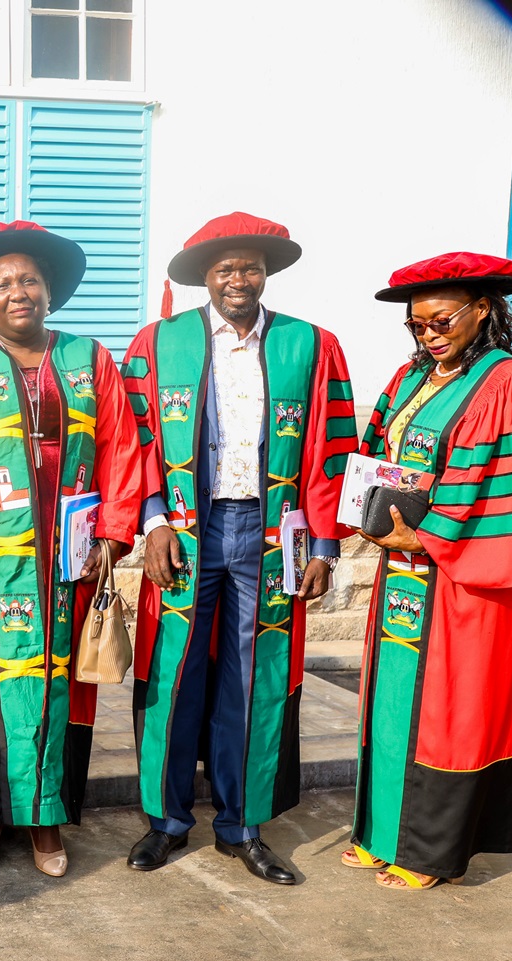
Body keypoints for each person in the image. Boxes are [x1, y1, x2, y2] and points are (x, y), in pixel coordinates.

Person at [121, 211, 358, 884]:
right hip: (188, 532)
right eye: (225, 268)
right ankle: (165, 822)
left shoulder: (310, 346)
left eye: (250, 266)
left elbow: (335, 449)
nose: (238, 278)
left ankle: (242, 824)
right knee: (174, 675)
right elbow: (134, 442)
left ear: (267, 273)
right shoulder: (158, 343)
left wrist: (326, 543)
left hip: (271, 532)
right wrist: (152, 521)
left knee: (255, 679)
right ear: (205, 276)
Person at [0, 221, 143, 877]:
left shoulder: (88, 357)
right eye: (4, 283)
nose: (19, 291)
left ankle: (46, 820)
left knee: (62, 681)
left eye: (30, 280)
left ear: (49, 291)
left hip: (67, 557)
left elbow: (122, 450)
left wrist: (111, 533)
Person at [348, 252, 512, 890]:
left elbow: (504, 491)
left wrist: (428, 533)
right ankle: (382, 833)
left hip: (460, 579)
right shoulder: (410, 377)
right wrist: (366, 506)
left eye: (442, 320)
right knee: (391, 698)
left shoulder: (506, 383)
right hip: (402, 568)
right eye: (418, 325)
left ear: (483, 310)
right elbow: (377, 449)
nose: (430, 334)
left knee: (448, 708)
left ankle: (427, 854)